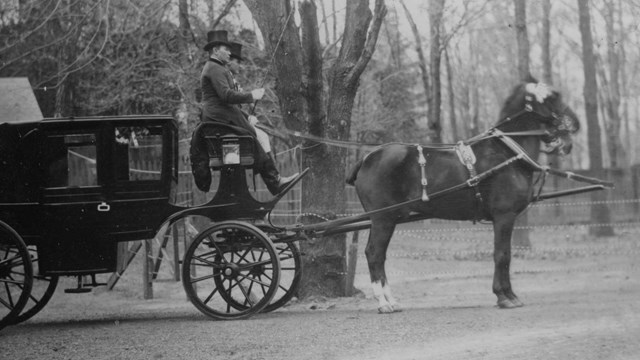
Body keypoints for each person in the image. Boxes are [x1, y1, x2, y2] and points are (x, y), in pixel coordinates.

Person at [200, 30, 297, 195]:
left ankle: (275, 181)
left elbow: (226, 101)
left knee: (260, 136)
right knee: (255, 136)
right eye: (226, 49)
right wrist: (251, 96)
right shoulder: (215, 68)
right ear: (216, 50)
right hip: (220, 119)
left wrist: (246, 116)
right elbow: (226, 96)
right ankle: (275, 182)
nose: (230, 53)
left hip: (223, 116)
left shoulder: (217, 67)